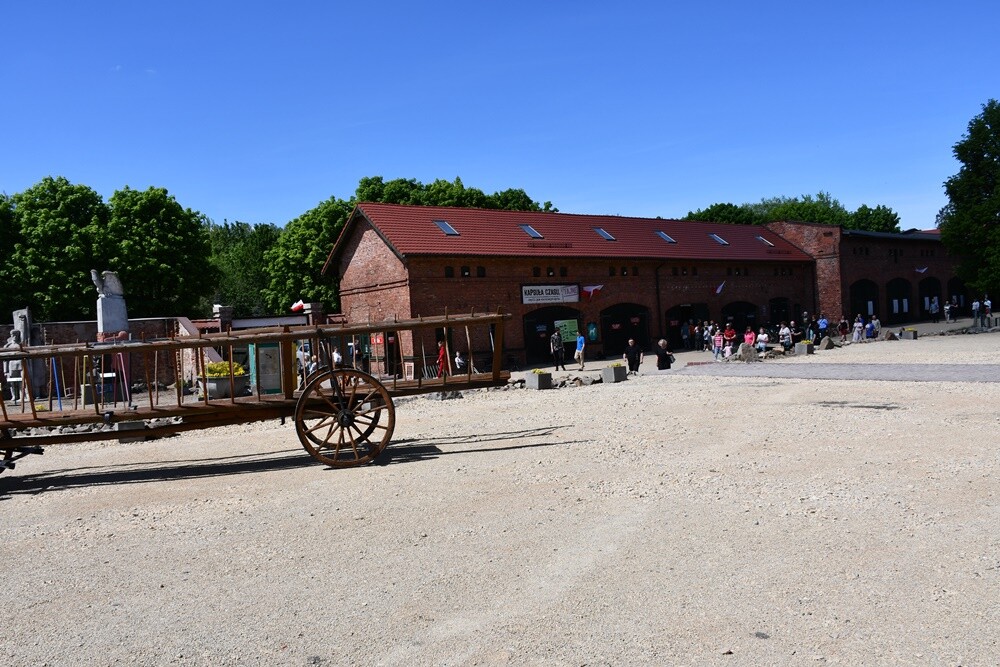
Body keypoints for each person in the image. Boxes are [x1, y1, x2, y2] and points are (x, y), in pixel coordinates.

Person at [3, 330, 23, 405]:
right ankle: (14, 396)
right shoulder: (8, 346)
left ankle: (22, 395)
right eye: (12, 335)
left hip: (20, 365)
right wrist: (5, 370)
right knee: (12, 382)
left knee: (21, 381)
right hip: (11, 365)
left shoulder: (20, 344)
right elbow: (5, 359)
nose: (14, 336)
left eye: (16, 335)